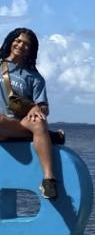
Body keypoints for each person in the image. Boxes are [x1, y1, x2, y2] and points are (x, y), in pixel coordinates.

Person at [0, 28, 58, 199]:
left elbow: (44, 108)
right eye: (18, 41)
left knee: (39, 121)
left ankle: (49, 180)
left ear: (31, 50)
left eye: (26, 44)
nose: (21, 45)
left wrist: (36, 108)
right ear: (11, 41)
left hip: (19, 123)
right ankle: (46, 136)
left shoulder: (34, 77)